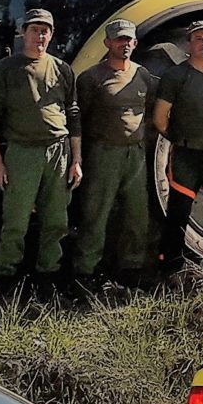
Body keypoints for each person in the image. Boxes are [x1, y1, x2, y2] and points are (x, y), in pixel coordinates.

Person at [0, 6, 80, 294]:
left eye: (45, 30)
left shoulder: (62, 69)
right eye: (35, 29)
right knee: (16, 220)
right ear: (23, 33)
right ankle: (7, 279)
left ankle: (48, 278)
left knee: (56, 221)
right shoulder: (6, 69)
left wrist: (77, 159)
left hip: (58, 152)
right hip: (22, 152)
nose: (41, 35)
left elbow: (73, 114)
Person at [70, 18, 157, 285]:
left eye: (129, 40)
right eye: (119, 40)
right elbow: (78, 118)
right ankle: (86, 270)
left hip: (136, 155)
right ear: (108, 43)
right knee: (96, 212)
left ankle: (131, 267)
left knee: (137, 213)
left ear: (135, 43)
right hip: (104, 153)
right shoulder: (91, 78)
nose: (125, 44)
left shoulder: (143, 75)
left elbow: (152, 110)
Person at [153, 20, 203, 275]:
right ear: (189, 43)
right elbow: (159, 118)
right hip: (186, 154)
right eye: (198, 39)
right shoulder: (175, 76)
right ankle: (172, 266)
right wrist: (180, 138)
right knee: (178, 212)